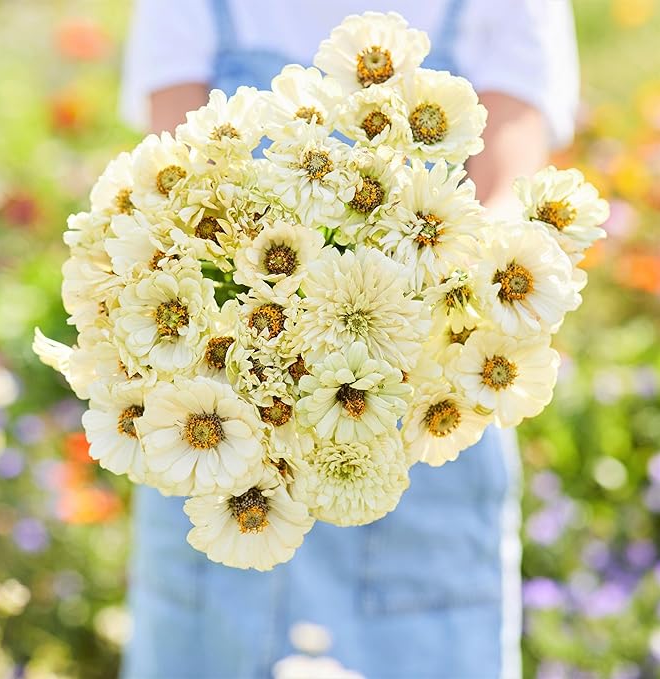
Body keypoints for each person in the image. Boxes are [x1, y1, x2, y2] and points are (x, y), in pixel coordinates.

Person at [119, 1, 579, 677]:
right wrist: (273, 341)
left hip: (420, 421)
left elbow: (503, 193)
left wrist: (417, 290)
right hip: (225, 427)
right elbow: (178, 188)